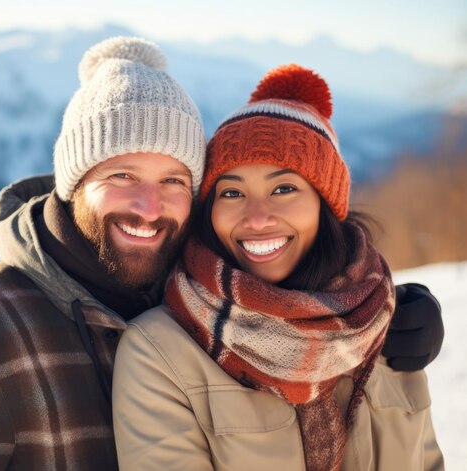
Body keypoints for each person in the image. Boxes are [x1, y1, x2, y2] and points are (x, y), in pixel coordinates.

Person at [0, 36, 441, 470]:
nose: (149, 207)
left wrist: (390, 307)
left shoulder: (209, 294)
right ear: (73, 183)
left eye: (174, 180)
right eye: (122, 174)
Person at [112, 65, 444, 471]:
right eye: (232, 192)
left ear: (325, 205)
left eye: (284, 188)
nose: (256, 218)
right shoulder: (159, 351)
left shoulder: (385, 323)